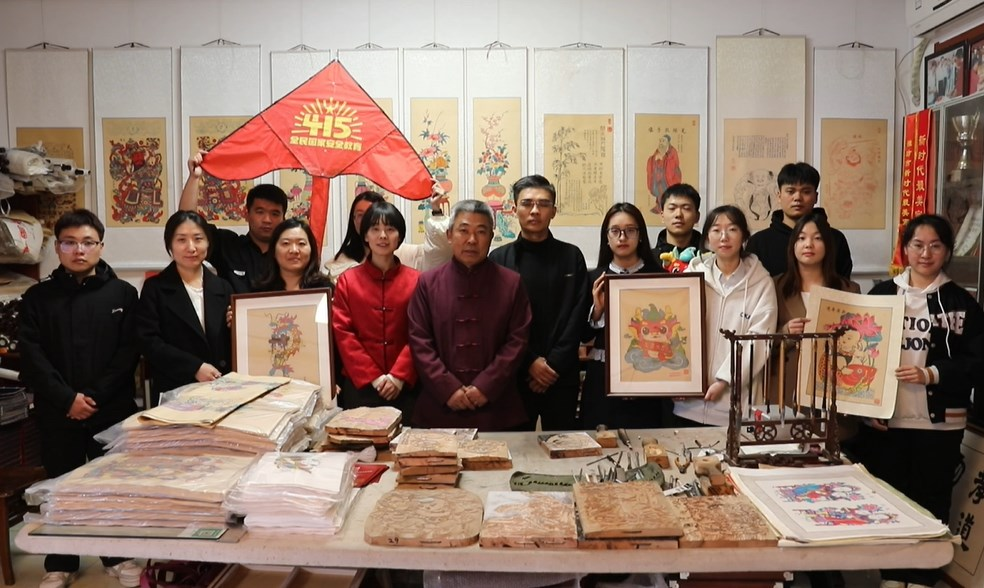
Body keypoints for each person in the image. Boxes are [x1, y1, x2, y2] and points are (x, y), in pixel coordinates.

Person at [18, 209, 143, 588]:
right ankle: (61, 562)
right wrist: (67, 398)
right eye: (70, 243)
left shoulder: (122, 294)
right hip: (58, 412)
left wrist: (93, 397)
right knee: (60, 487)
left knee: (112, 486)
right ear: (57, 248)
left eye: (88, 242)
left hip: (111, 409)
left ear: (101, 246)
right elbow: (32, 355)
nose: (79, 250)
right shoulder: (37, 297)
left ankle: (117, 555)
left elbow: (128, 352)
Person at [858, 214, 984, 588]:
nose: (926, 253)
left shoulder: (961, 302)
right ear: (905, 249)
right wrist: (866, 408)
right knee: (890, 501)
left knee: (932, 500)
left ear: (947, 251)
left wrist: (931, 374)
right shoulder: (881, 295)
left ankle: (923, 576)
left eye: (935, 246)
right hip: (888, 421)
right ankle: (892, 575)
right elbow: (859, 353)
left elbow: (977, 361)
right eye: (917, 245)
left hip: (940, 422)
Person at [407, 199, 531, 431]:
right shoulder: (428, 283)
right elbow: (419, 341)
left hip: (497, 408)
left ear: (491, 237)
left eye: (481, 232)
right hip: (439, 406)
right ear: (449, 235)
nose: (472, 240)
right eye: (463, 230)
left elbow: (517, 341)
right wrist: (448, 389)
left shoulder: (512, 283)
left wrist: (485, 387)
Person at [488, 175, 589, 431]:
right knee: (514, 448)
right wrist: (530, 363)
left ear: (553, 211)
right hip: (515, 375)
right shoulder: (499, 259)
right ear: (514, 209)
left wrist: (552, 365)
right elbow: (496, 322)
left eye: (543, 204)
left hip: (561, 375)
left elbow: (577, 315)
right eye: (527, 203)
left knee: (564, 446)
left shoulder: (571, 256)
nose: (535, 210)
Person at [672, 205, 778, 427]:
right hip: (687, 404)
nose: (724, 237)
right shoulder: (692, 277)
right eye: (716, 230)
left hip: (734, 404)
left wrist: (724, 380)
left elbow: (759, 340)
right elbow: (675, 329)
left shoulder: (761, 283)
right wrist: (678, 380)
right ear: (707, 238)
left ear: (744, 236)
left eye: (732, 229)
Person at [580, 202, 667, 430]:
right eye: (615, 231)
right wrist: (598, 311)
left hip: (650, 376)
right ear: (606, 237)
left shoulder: (659, 277)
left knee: (648, 442)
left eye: (630, 230)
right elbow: (582, 335)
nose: (622, 237)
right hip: (602, 376)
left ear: (640, 235)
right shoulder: (594, 278)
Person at [135, 211, 234, 406]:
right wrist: (194, 367)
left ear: (208, 243)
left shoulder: (223, 287)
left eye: (198, 239)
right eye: (181, 240)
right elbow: (148, 341)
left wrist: (234, 327)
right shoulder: (155, 288)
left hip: (221, 388)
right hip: (175, 390)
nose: (191, 247)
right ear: (170, 245)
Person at [332, 202, 419, 420]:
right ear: (365, 235)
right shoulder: (347, 281)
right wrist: (375, 378)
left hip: (406, 385)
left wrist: (398, 376)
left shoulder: (417, 280)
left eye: (390, 229)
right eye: (375, 229)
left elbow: (421, 332)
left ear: (399, 236)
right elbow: (343, 333)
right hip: (360, 385)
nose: (383, 236)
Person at [180, 151, 287, 293]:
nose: (267, 220)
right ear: (246, 214)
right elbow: (188, 223)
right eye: (260, 212)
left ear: (283, 218)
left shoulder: (291, 253)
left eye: (275, 214)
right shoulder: (228, 246)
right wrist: (194, 177)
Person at [746, 162, 853, 279]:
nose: (797, 197)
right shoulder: (759, 243)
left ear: (816, 197)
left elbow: (842, 286)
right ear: (779, 196)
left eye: (806, 192)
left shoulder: (834, 239)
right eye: (790, 191)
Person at [325, 190, 451, 283]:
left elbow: (437, 255)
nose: (367, 220)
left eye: (372, 213)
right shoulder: (340, 268)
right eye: (360, 215)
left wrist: (437, 212)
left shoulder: (408, 256)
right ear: (353, 220)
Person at [252, 218, 332, 292]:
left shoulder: (325, 289)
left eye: (301, 243)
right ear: (273, 251)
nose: (294, 250)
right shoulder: (260, 292)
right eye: (286, 243)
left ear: (312, 249)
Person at [651, 183, 703, 260]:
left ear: (697, 217)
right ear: (662, 216)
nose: (678, 214)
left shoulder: (710, 259)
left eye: (686, 208)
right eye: (672, 208)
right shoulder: (649, 259)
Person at [646, 134, 682, 214]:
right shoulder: (658, 151)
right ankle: (659, 206)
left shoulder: (672, 152)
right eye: (660, 141)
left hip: (668, 177)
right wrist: (655, 159)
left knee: (666, 194)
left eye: (663, 141)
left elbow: (674, 164)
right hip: (658, 177)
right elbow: (653, 159)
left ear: (668, 142)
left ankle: (667, 207)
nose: (661, 143)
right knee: (659, 192)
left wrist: (664, 159)